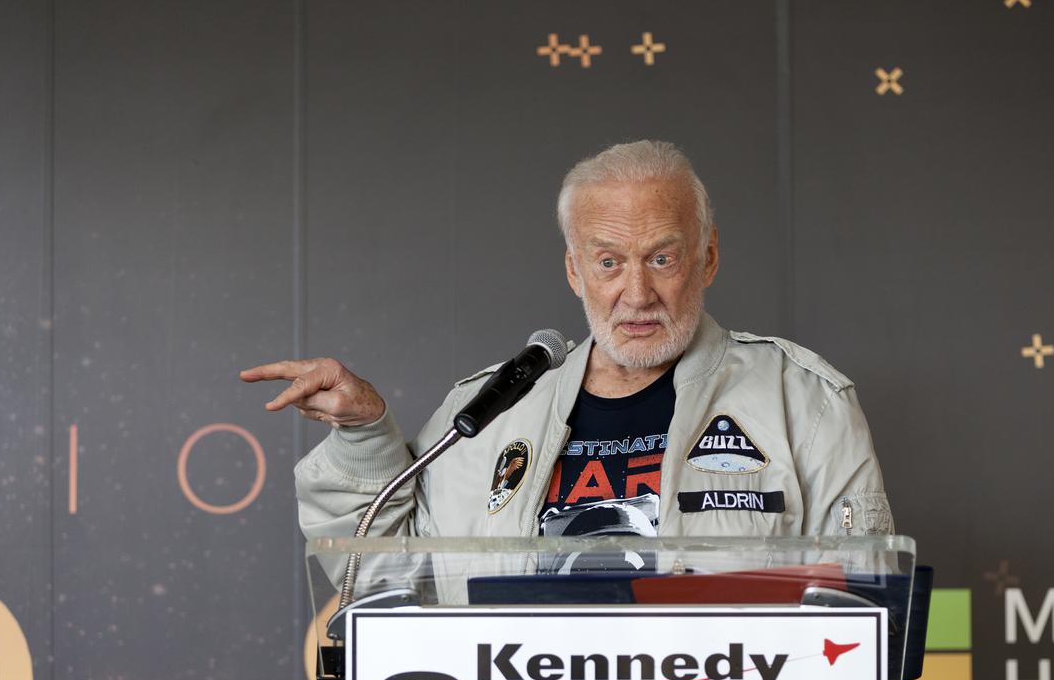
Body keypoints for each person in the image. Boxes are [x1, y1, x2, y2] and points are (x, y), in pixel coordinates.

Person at [241, 140, 893, 560]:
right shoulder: (489, 409)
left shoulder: (801, 400)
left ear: (708, 258)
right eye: (608, 262)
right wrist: (364, 433)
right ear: (575, 272)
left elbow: (869, 610)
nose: (636, 293)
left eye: (662, 258)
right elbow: (380, 574)